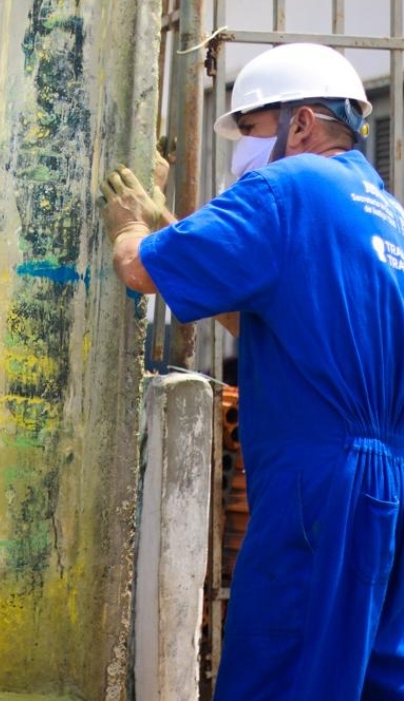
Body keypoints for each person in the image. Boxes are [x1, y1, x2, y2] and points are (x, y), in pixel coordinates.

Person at [98, 43, 404, 700]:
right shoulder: (388, 217)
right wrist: (170, 232)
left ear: (302, 124)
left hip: (317, 485)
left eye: (250, 128)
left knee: (278, 665)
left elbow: (139, 270)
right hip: (390, 484)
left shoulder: (285, 187)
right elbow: (286, 326)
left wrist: (130, 229)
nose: (243, 149)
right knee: (370, 675)